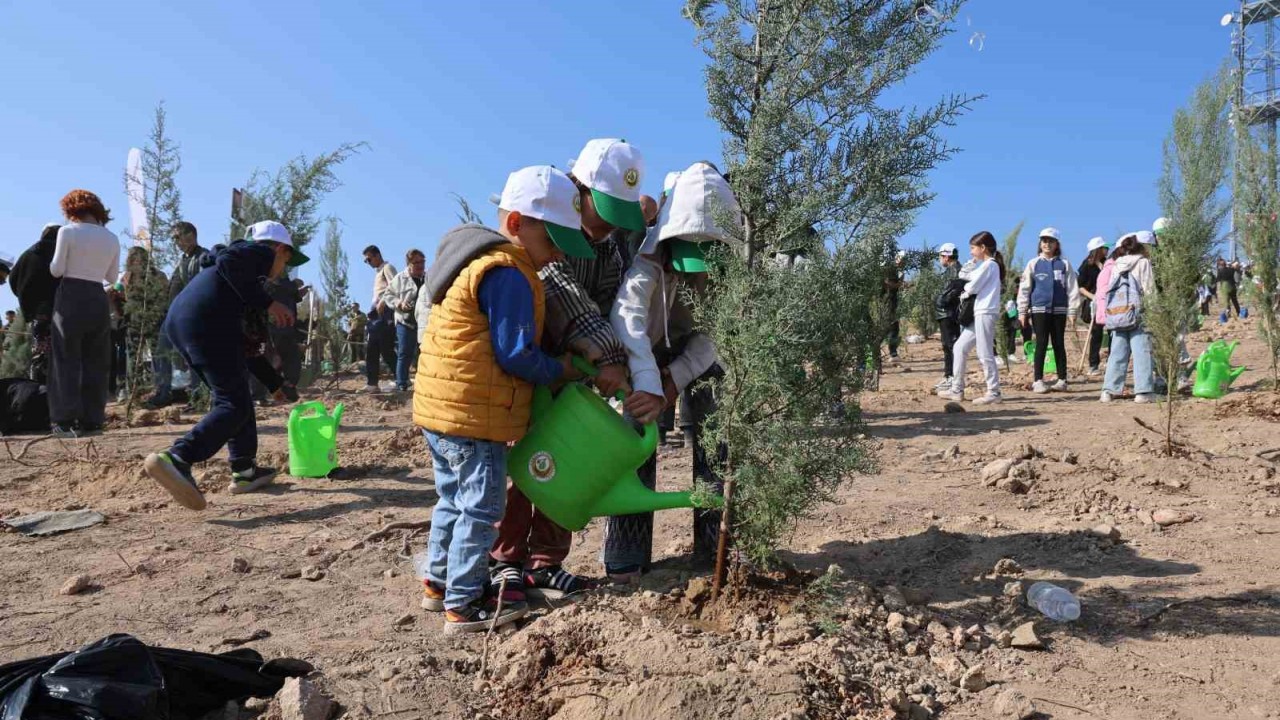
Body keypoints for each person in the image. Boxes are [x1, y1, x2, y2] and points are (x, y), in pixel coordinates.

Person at [414, 165, 588, 633]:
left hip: (442, 409)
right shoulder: (509, 273)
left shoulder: (476, 262)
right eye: (552, 243)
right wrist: (562, 370)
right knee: (481, 508)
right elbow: (516, 356)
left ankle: (438, 582)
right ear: (516, 225)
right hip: (475, 417)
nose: (555, 257)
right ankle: (465, 604)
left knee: (451, 498)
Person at [607, 161, 737, 581]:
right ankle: (626, 552)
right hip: (646, 351)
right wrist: (650, 383)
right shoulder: (648, 258)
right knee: (635, 435)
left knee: (715, 439)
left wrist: (675, 377)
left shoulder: (734, 271)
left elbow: (718, 333)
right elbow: (628, 318)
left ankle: (714, 544)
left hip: (701, 356)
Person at [143, 221, 306, 509]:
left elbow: (248, 348)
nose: (285, 268)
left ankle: (244, 471)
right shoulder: (254, 254)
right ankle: (178, 457)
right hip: (205, 323)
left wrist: (274, 383)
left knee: (236, 395)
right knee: (234, 404)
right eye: (287, 260)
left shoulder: (242, 283)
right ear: (279, 248)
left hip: (185, 324)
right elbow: (231, 258)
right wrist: (270, 303)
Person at [48, 191, 119, 437]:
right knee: (96, 361)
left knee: (65, 360)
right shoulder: (112, 238)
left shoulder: (67, 231)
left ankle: (64, 421)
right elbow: (112, 277)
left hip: (71, 295)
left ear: (71, 211)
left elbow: (56, 270)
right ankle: (93, 421)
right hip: (98, 297)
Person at [143, 222, 208, 409]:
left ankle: (198, 397)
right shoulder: (182, 260)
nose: (176, 241)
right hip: (174, 315)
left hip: (194, 315)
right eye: (174, 238)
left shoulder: (204, 257)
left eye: (178, 236)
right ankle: (163, 392)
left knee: (193, 356)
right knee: (161, 351)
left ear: (192, 235)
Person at [939, 231, 1005, 405]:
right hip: (979, 312)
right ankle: (957, 389)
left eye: (973, 248)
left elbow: (973, 286)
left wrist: (965, 290)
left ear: (983, 248)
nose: (971, 252)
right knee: (960, 347)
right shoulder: (983, 265)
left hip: (986, 311)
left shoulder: (990, 265)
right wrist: (972, 264)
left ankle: (994, 391)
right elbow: (963, 275)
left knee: (985, 354)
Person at [1016, 228, 1079, 393]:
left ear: (1057, 244)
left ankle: (1062, 379)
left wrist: (1072, 311)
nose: (1047, 244)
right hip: (1039, 309)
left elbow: (1072, 288)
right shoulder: (1033, 263)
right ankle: (1038, 380)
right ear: (1040, 243)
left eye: (1051, 241)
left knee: (1059, 343)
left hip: (1059, 310)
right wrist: (1022, 311)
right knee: (1041, 343)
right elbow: (1024, 289)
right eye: (1044, 241)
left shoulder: (1064, 264)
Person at [1100, 233, 1156, 403]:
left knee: (1117, 353)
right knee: (1142, 352)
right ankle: (1143, 392)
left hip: (1119, 313)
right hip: (1138, 313)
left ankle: (1108, 391)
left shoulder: (1117, 264)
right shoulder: (1143, 262)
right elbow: (1149, 290)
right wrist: (1155, 313)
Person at [9, 224, 61, 384]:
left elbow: (13, 278)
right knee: (62, 354)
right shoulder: (60, 253)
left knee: (40, 353)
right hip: (60, 310)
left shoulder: (28, 254)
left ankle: (39, 393)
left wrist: (26, 299)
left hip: (37, 313)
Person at [382, 249, 426, 392]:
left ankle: (424, 383)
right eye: (416, 262)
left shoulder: (429, 278)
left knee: (425, 353)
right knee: (404, 352)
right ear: (409, 264)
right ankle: (401, 383)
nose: (420, 265)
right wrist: (399, 303)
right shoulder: (400, 278)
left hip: (424, 323)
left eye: (422, 261)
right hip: (405, 321)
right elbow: (388, 295)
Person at [362, 246, 399, 392]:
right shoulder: (378, 273)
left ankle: (401, 379)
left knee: (386, 349)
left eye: (369, 259)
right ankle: (372, 384)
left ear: (377, 255)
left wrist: (384, 300)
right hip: (376, 316)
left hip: (385, 315)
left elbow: (395, 286)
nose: (368, 262)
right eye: (366, 260)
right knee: (372, 349)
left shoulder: (387, 268)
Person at [1077, 237, 1109, 377]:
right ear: (1097, 250)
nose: (1107, 250)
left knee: (1114, 331)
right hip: (1093, 303)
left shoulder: (1107, 263)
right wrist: (1093, 297)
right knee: (1096, 333)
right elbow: (1080, 287)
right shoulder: (1086, 265)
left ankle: (1111, 361)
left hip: (1109, 302)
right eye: (1104, 248)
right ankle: (1093, 364)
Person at [934, 243, 963, 391]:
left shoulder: (954, 271)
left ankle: (951, 377)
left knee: (950, 345)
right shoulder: (954, 270)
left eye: (940, 256)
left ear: (946, 256)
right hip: (948, 313)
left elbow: (950, 293)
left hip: (948, 313)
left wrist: (940, 301)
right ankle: (950, 376)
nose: (940, 259)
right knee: (949, 345)